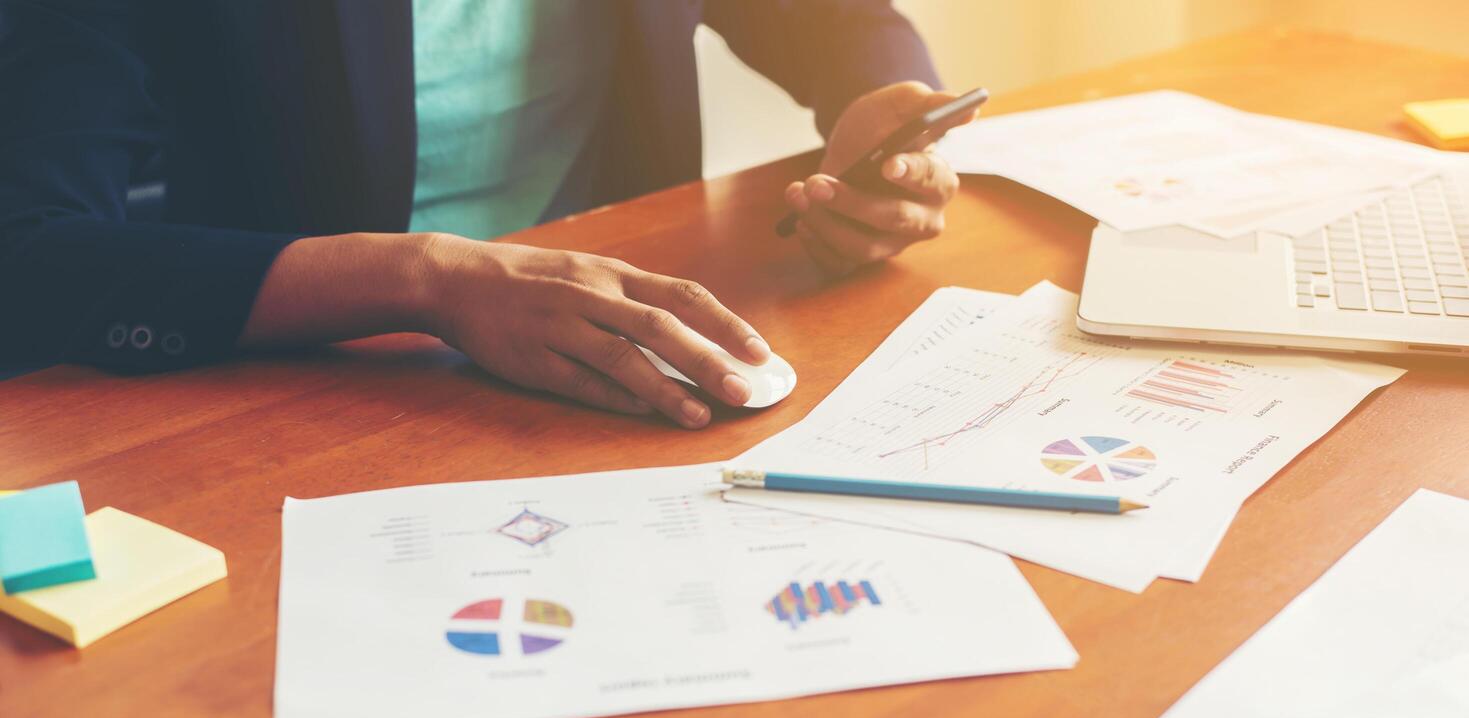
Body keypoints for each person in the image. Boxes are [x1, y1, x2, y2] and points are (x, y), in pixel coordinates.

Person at [0, 0, 972, 428]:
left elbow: (835, 18)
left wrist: (887, 123)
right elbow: (28, 255)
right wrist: (429, 280)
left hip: (595, 375)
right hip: (303, 406)